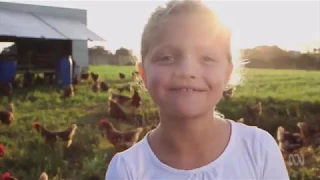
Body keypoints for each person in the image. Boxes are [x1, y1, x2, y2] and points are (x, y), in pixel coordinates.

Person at [105, 0, 289, 179]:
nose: (187, 71)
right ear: (143, 74)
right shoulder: (126, 170)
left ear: (227, 74)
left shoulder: (258, 149)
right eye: (167, 57)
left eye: (207, 58)